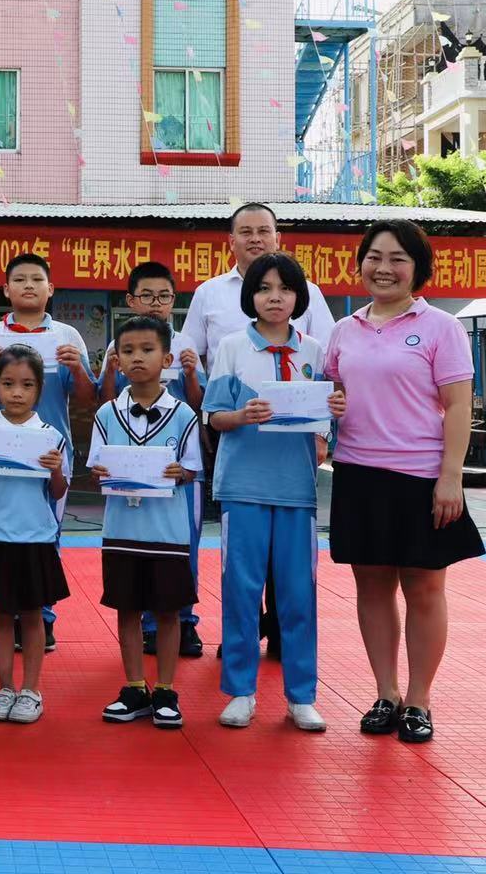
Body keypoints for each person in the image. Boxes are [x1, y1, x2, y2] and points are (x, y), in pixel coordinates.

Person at [324, 220, 485, 745]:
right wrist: (331, 406)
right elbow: (332, 394)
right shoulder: (344, 330)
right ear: (360, 264)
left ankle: (419, 700)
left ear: (418, 268)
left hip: (421, 476)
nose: (384, 268)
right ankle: (385, 694)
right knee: (371, 586)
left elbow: (458, 406)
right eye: (374, 256)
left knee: (424, 587)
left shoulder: (441, 327)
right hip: (358, 473)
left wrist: (450, 477)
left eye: (397, 258)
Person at [181, 202, 334, 662]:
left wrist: (324, 432)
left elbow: (327, 366)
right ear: (230, 241)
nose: (255, 238)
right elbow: (191, 356)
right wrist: (216, 416)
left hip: (293, 452)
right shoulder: (210, 293)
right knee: (244, 555)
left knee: (291, 561)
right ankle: (242, 640)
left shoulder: (309, 294)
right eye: (245, 231)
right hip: (238, 438)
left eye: (263, 230)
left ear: (277, 237)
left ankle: (284, 633)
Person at [203, 253, 347, 732]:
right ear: (251, 296)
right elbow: (213, 417)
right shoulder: (231, 347)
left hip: (297, 490)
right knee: (241, 592)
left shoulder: (315, 352)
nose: (275, 297)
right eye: (264, 288)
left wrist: (335, 411)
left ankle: (301, 696)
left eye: (285, 289)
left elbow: (327, 418)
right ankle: (240, 692)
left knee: (298, 595)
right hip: (242, 488)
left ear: (299, 297)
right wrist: (241, 416)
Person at [0, 253, 95, 653]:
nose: (28, 286)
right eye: (19, 279)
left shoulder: (67, 336)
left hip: (49, 453)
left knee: (47, 535)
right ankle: (7, 612)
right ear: (6, 289)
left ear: (50, 289)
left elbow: (86, 398)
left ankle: (42, 617)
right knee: (0, 529)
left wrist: (79, 369)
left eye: (37, 279)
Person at [86, 317, 201, 728]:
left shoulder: (184, 414)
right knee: (127, 608)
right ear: (116, 360)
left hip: (167, 532)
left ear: (167, 359)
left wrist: (181, 473)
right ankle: (135, 686)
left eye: (148, 350)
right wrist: (102, 472)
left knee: (169, 612)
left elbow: (192, 468)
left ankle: (166, 689)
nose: (138, 358)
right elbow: (96, 466)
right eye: (128, 350)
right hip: (122, 531)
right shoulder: (106, 413)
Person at [99, 261, 205, 659]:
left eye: (163, 296)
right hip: (130, 471)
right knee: (134, 548)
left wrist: (191, 374)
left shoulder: (186, 344)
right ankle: (145, 625)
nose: (155, 303)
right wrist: (111, 370)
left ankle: (184, 621)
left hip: (175, 470)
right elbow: (105, 400)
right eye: (147, 295)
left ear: (173, 300)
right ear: (131, 300)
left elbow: (200, 405)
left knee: (181, 545)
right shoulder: (119, 345)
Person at [0, 346, 70, 724]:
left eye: (26, 385)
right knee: (1, 615)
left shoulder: (51, 436)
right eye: (8, 384)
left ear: (39, 389)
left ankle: (31, 690)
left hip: (35, 537)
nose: (17, 393)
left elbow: (58, 492)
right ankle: (5, 687)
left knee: (32, 615)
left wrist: (55, 470)